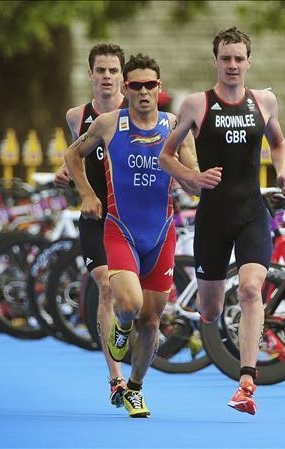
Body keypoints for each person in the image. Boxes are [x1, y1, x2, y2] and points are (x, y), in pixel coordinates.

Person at [159, 26, 285, 416]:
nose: (232, 65)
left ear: (249, 62)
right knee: (212, 309)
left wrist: (281, 173)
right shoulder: (195, 105)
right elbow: (167, 157)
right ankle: (208, 317)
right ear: (215, 61)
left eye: (239, 58)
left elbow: (279, 143)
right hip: (213, 218)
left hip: (252, 212)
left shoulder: (265, 101)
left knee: (252, 290)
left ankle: (247, 382)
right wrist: (192, 177)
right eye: (226, 58)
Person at [64, 53, 196, 418]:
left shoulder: (174, 125)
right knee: (129, 305)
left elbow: (193, 173)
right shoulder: (107, 124)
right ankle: (121, 329)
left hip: (161, 234)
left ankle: (135, 388)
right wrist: (88, 194)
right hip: (119, 229)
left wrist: (197, 181)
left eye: (149, 85)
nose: (142, 91)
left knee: (152, 320)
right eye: (135, 85)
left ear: (159, 88)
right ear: (126, 88)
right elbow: (72, 155)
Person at [53, 43, 129, 408]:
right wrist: (67, 173)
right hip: (95, 215)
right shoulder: (76, 115)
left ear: (122, 77)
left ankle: (131, 346)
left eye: (113, 70)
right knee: (105, 285)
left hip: (132, 217)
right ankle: (115, 378)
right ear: (90, 74)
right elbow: (77, 155)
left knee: (138, 300)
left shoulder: (137, 114)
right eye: (101, 70)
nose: (107, 76)